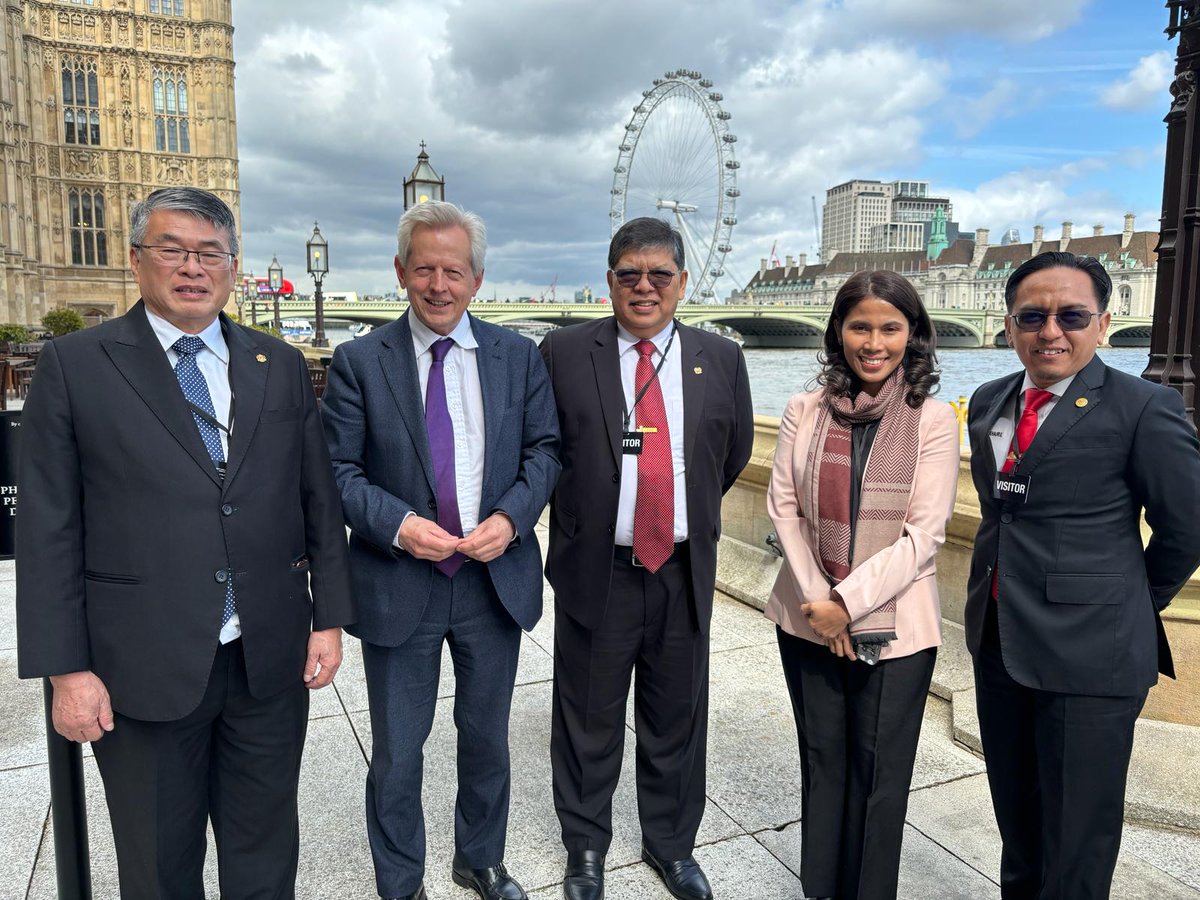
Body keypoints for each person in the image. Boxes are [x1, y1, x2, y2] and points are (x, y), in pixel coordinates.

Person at [15, 186, 354, 898]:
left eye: (210, 253)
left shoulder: (278, 364)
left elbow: (316, 500)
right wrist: (65, 670)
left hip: (267, 657)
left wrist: (329, 617)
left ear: (233, 268)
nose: (192, 267)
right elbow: (48, 528)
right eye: (172, 249)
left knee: (265, 852)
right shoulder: (78, 366)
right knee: (159, 866)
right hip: (140, 663)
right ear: (137, 261)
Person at [321, 200, 559, 900]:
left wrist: (513, 520)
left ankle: (478, 858)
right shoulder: (359, 361)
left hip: (493, 581)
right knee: (398, 751)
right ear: (400, 271)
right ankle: (401, 880)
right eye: (423, 268)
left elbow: (546, 451)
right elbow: (336, 472)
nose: (438, 284)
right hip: (399, 582)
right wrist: (399, 525)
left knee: (487, 738)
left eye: (453, 270)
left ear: (477, 279)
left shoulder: (518, 357)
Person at [966, 251, 1200, 899]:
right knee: (1018, 821)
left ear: (1102, 323)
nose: (1051, 331)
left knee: (1077, 838)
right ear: (1009, 325)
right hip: (999, 642)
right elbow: (1001, 513)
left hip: (1092, 658)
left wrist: (1122, 605)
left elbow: (1187, 529)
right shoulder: (988, 401)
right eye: (1032, 316)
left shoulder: (1144, 407)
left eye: (1071, 315)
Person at [539, 217, 753, 900]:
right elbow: (545, 449)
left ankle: (671, 846)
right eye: (629, 273)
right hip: (596, 570)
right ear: (608, 282)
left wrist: (672, 509)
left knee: (676, 719)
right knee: (587, 719)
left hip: (682, 570)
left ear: (683, 282)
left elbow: (733, 453)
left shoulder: (720, 358)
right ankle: (585, 850)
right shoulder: (563, 352)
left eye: (659, 274)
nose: (644, 286)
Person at [766, 270, 959, 900]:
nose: (873, 341)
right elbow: (785, 510)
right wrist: (820, 601)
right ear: (838, 332)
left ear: (912, 336)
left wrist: (845, 605)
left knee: (882, 776)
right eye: (860, 326)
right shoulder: (803, 410)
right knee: (823, 762)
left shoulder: (932, 419)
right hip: (806, 617)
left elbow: (924, 534)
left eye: (889, 327)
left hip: (897, 627)